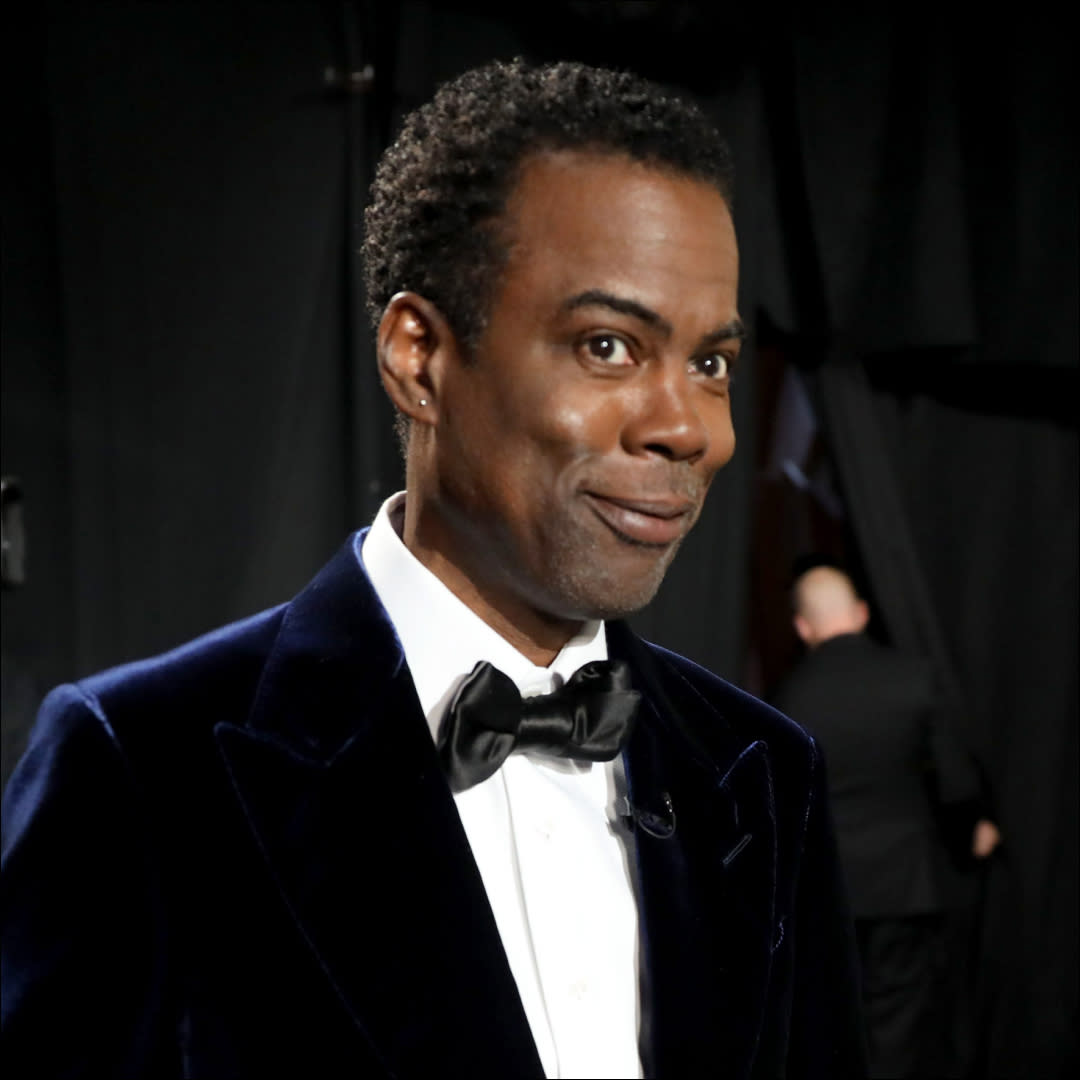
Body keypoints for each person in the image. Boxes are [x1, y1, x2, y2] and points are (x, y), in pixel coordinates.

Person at [1, 60, 866, 1078]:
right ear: (419, 357)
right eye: (608, 345)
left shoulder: (764, 776)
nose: (688, 428)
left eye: (711, 363)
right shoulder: (142, 768)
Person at [771, 561, 999, 1078]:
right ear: (862, 614)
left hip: (828, 891)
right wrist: (975, 831)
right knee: (899, 1023)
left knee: (834, 1018)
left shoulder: (787, 699)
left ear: (803, 627)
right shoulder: (915, 679)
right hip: (906, 885)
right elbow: (957, 783)